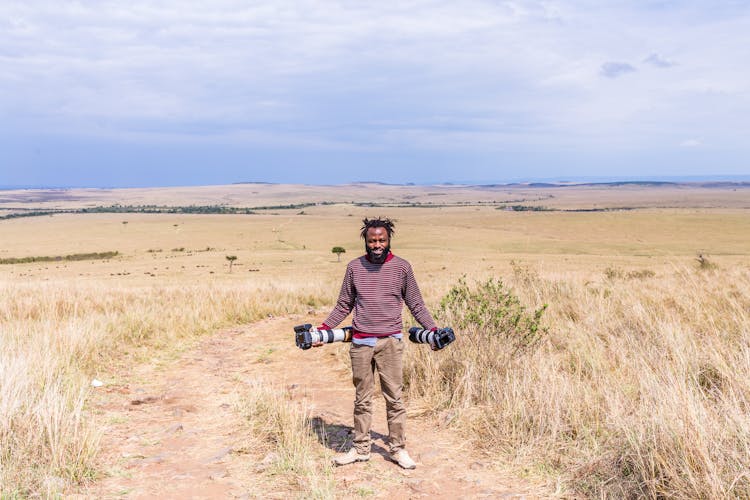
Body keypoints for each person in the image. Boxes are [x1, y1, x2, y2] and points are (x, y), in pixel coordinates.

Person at [316, 217, 437, 469]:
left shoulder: (402, 268)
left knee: (394, 398)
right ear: (366, 241)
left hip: (391, 342)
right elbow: (343, 305)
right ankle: (361, 448)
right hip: (361, 342)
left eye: (382, 240)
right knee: (362, 399)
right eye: (372, 240)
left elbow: (416, 304)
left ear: (389, 240)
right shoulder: (354, 268)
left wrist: (432, 329)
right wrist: (323, 330)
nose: (377, 244)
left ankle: (397, 449)